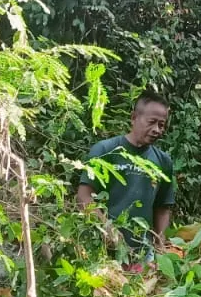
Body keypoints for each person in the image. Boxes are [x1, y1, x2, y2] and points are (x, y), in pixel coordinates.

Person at [75, 93, 174, 262]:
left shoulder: (163, 161)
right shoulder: (106, 150)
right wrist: (107, 229)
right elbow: (83, 197)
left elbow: (163, 207)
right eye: (151, 122)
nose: (157, 129)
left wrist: (160, 243)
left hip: (142, 253)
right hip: (100, 249)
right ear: (134, 118)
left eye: (161, 125)